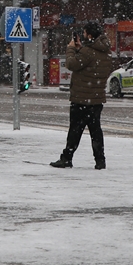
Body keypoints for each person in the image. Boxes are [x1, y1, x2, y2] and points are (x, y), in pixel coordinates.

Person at [50, 22, 111, 170]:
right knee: (96, 131)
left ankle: (66, 158)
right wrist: (81, 49)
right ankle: (100, 161)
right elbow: (90, 63)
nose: (83, 36)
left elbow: (71, 64)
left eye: (84, 33)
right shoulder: (104, 52)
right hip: (96, 99)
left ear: (90, 35)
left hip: (81, 99)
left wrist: (71, 49)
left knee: (75, 131)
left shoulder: (88, 52)